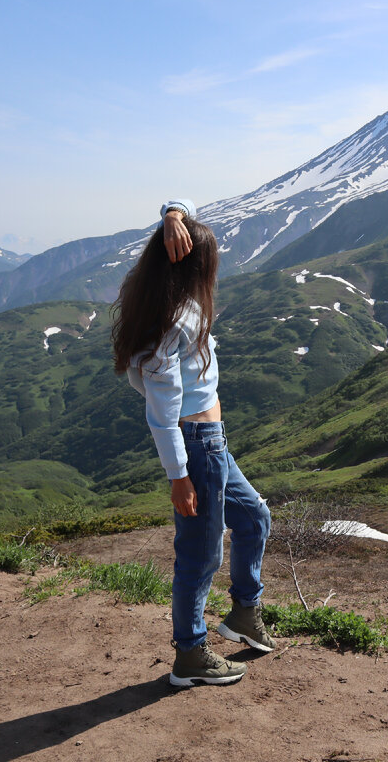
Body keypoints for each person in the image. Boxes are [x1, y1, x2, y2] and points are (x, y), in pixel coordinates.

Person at [112, 200, 276, 687]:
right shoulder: (176, 323)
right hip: (198, 447)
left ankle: (245, 612)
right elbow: (162, 415)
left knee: (255, 518)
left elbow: (179, 207)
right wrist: (179, 477)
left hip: (213, 445)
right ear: (196, 269)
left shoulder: (167, 304)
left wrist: (173, 214)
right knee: (200, 556)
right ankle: (191, 654)